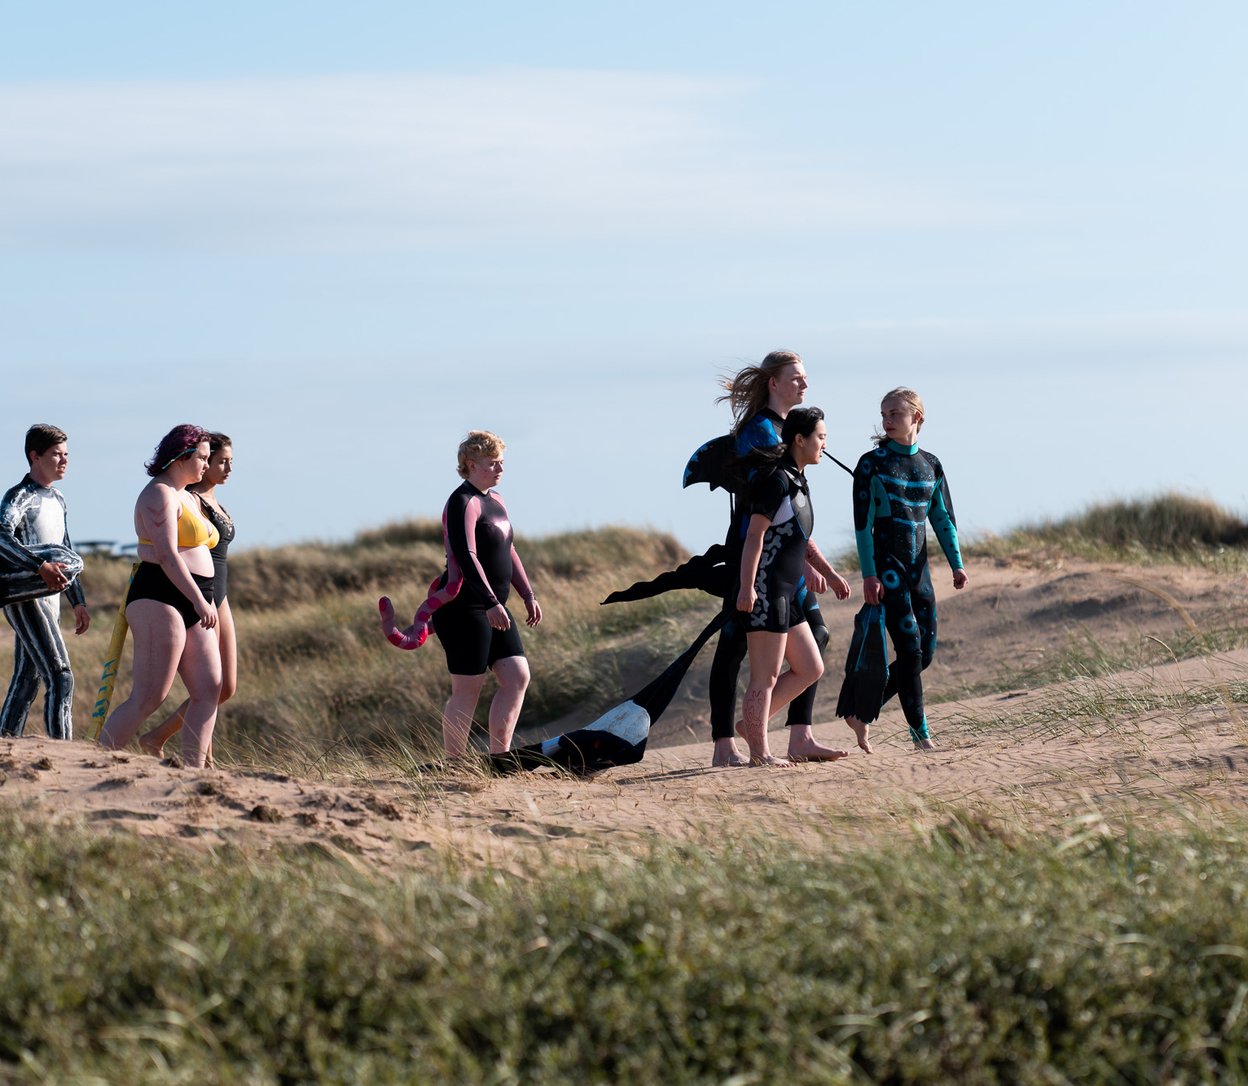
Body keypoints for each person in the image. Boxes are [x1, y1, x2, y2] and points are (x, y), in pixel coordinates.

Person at [710, 351, 851, 766]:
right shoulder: (761, 438)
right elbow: (760, 526)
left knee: (812, 657)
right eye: (796, 377)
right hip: (759, 571)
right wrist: (748, 584)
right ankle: (742, 747)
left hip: (786, 579)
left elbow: (797, 530)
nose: (804, 384)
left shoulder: (797, 470)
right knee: (746, 658)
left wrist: (826, 570)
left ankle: (785, 734)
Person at [836, 388, 968, 753]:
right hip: (887, 570)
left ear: (916, 417)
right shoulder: (871, 464)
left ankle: (861, 710)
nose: (887, 420)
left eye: (894, 413)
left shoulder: (931, 465)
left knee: (924, 654)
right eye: (884, 414)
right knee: (909, 650)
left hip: (919, 573)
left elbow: (942, 518)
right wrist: (869, 574)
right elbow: (862, 526)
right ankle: (921, 736)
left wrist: (957, 564)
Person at [99, 425, 221, 768]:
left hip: (198, 595)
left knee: (209, 688)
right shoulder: (159, 494)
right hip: (160, 594)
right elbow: (166, 554)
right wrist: (197, 599)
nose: (206, 465)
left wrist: (204, 598)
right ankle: (96, 762)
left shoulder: (188, 495)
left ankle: (194, 772)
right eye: (202, 458)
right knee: (151, 695)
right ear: (181, 456)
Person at [426, 431, 542, 756]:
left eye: (501, 462)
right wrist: (490, 601)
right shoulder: (463, 501)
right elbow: (467, 555)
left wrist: (528, 594)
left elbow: (509, 549)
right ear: (471, 465)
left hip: (494, 606)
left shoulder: (497, 500)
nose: (500, 469)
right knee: (467, 689)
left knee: (517, 676)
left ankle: (499, 756)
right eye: (492, 463)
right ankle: (454, 762)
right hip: (464, 607)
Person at [734, 407, 838, 766]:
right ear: (800, 439)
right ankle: (760, 753)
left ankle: (752, 726)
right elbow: (754, 537)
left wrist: (829, 573)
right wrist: (747, 587)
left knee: (810, 667)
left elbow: (800, 537)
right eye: (820, 437)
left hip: (788, 592)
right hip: (766, 591)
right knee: (765, 676)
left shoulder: (798, 480)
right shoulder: (776, 481)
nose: (824, 444)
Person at [138, 432, 236, 761]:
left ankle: (170, 744)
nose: (224, 468)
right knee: (205, 686)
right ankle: (200, 760)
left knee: (224, 686)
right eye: (218, 461)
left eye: (228, 462)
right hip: (195, 592)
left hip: (217, 593)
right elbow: (164, 548)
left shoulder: (210, 501)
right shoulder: (185, 496)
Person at [0, 425, 90, 739]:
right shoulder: (20, 496)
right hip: (24, 595)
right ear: (35, 456)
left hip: (51, 597)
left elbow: (65, 547)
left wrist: (78, 601)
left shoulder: (58, 499)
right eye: (56, 454)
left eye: (66, 454)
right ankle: (64, 755)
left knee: (28, 679)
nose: (64, 461)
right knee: (61, 676)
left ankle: (6, 744)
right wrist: (39, 566)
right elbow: (1, 537)